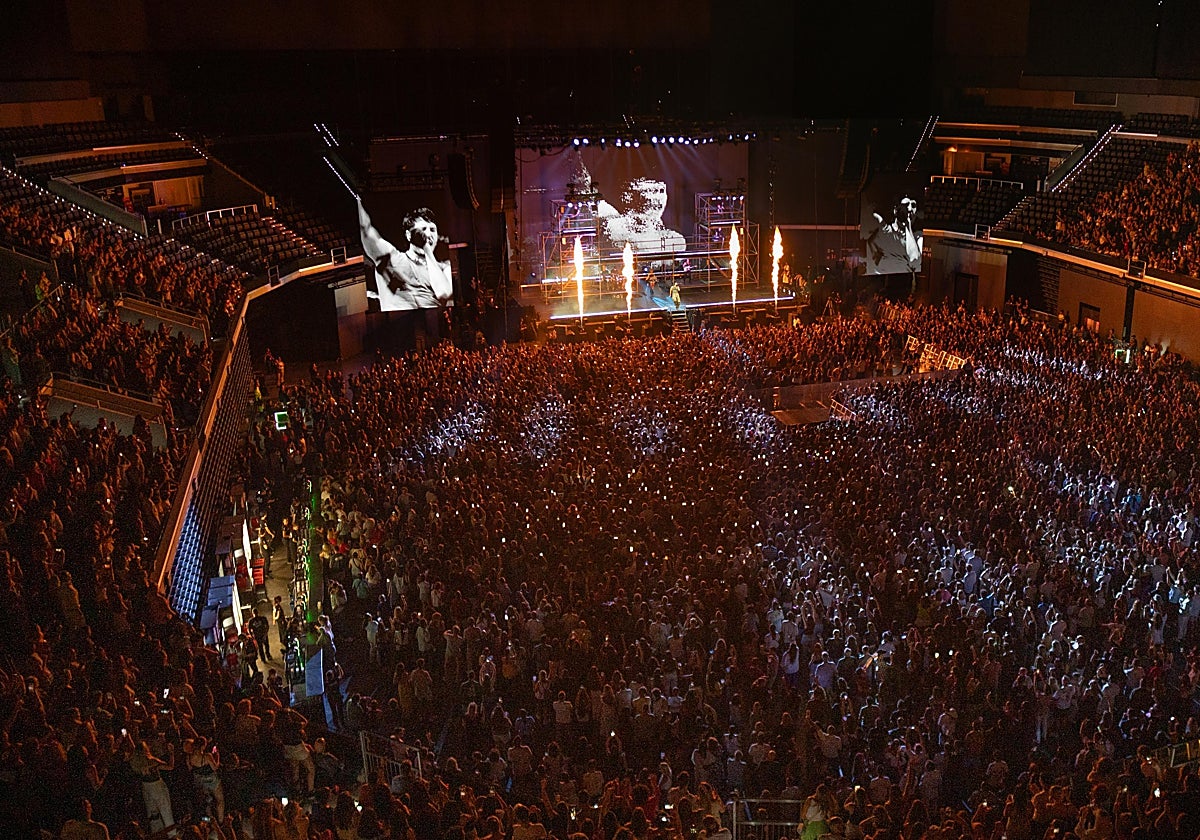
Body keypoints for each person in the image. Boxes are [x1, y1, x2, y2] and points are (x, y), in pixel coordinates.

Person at [358, 200, 454, 336]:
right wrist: (358, 200)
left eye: (432, 229)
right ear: (409, 235)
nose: (427, 234)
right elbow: (366, 231)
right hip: (396, 325)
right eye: (422, 229)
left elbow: (444, 293)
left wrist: (426, 249)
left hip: (432, 321)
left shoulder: (445, 267)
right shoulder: (392, 258)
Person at [597, 178, 686, 254]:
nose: (657, 198)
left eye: (661, 191)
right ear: (629, 196)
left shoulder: (670, 236)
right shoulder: (615, 226)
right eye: (651, 191)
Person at [864, 195, 922, 274]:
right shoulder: (883, 230)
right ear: (896, 210)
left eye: (913, 206)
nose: (910, 209)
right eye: (905, 205)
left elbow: (914, 260)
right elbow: (869, 243)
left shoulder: (918, 237)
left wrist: (907, 226)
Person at [129, 740, 175, 833]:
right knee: (166, 812)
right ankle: (172, 835)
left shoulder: (134, 762)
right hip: (157, 786)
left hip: (145, 787)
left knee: (153, 815)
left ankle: (156, 834)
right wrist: (171, 753)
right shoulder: (151, 760)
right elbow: (170, 766)